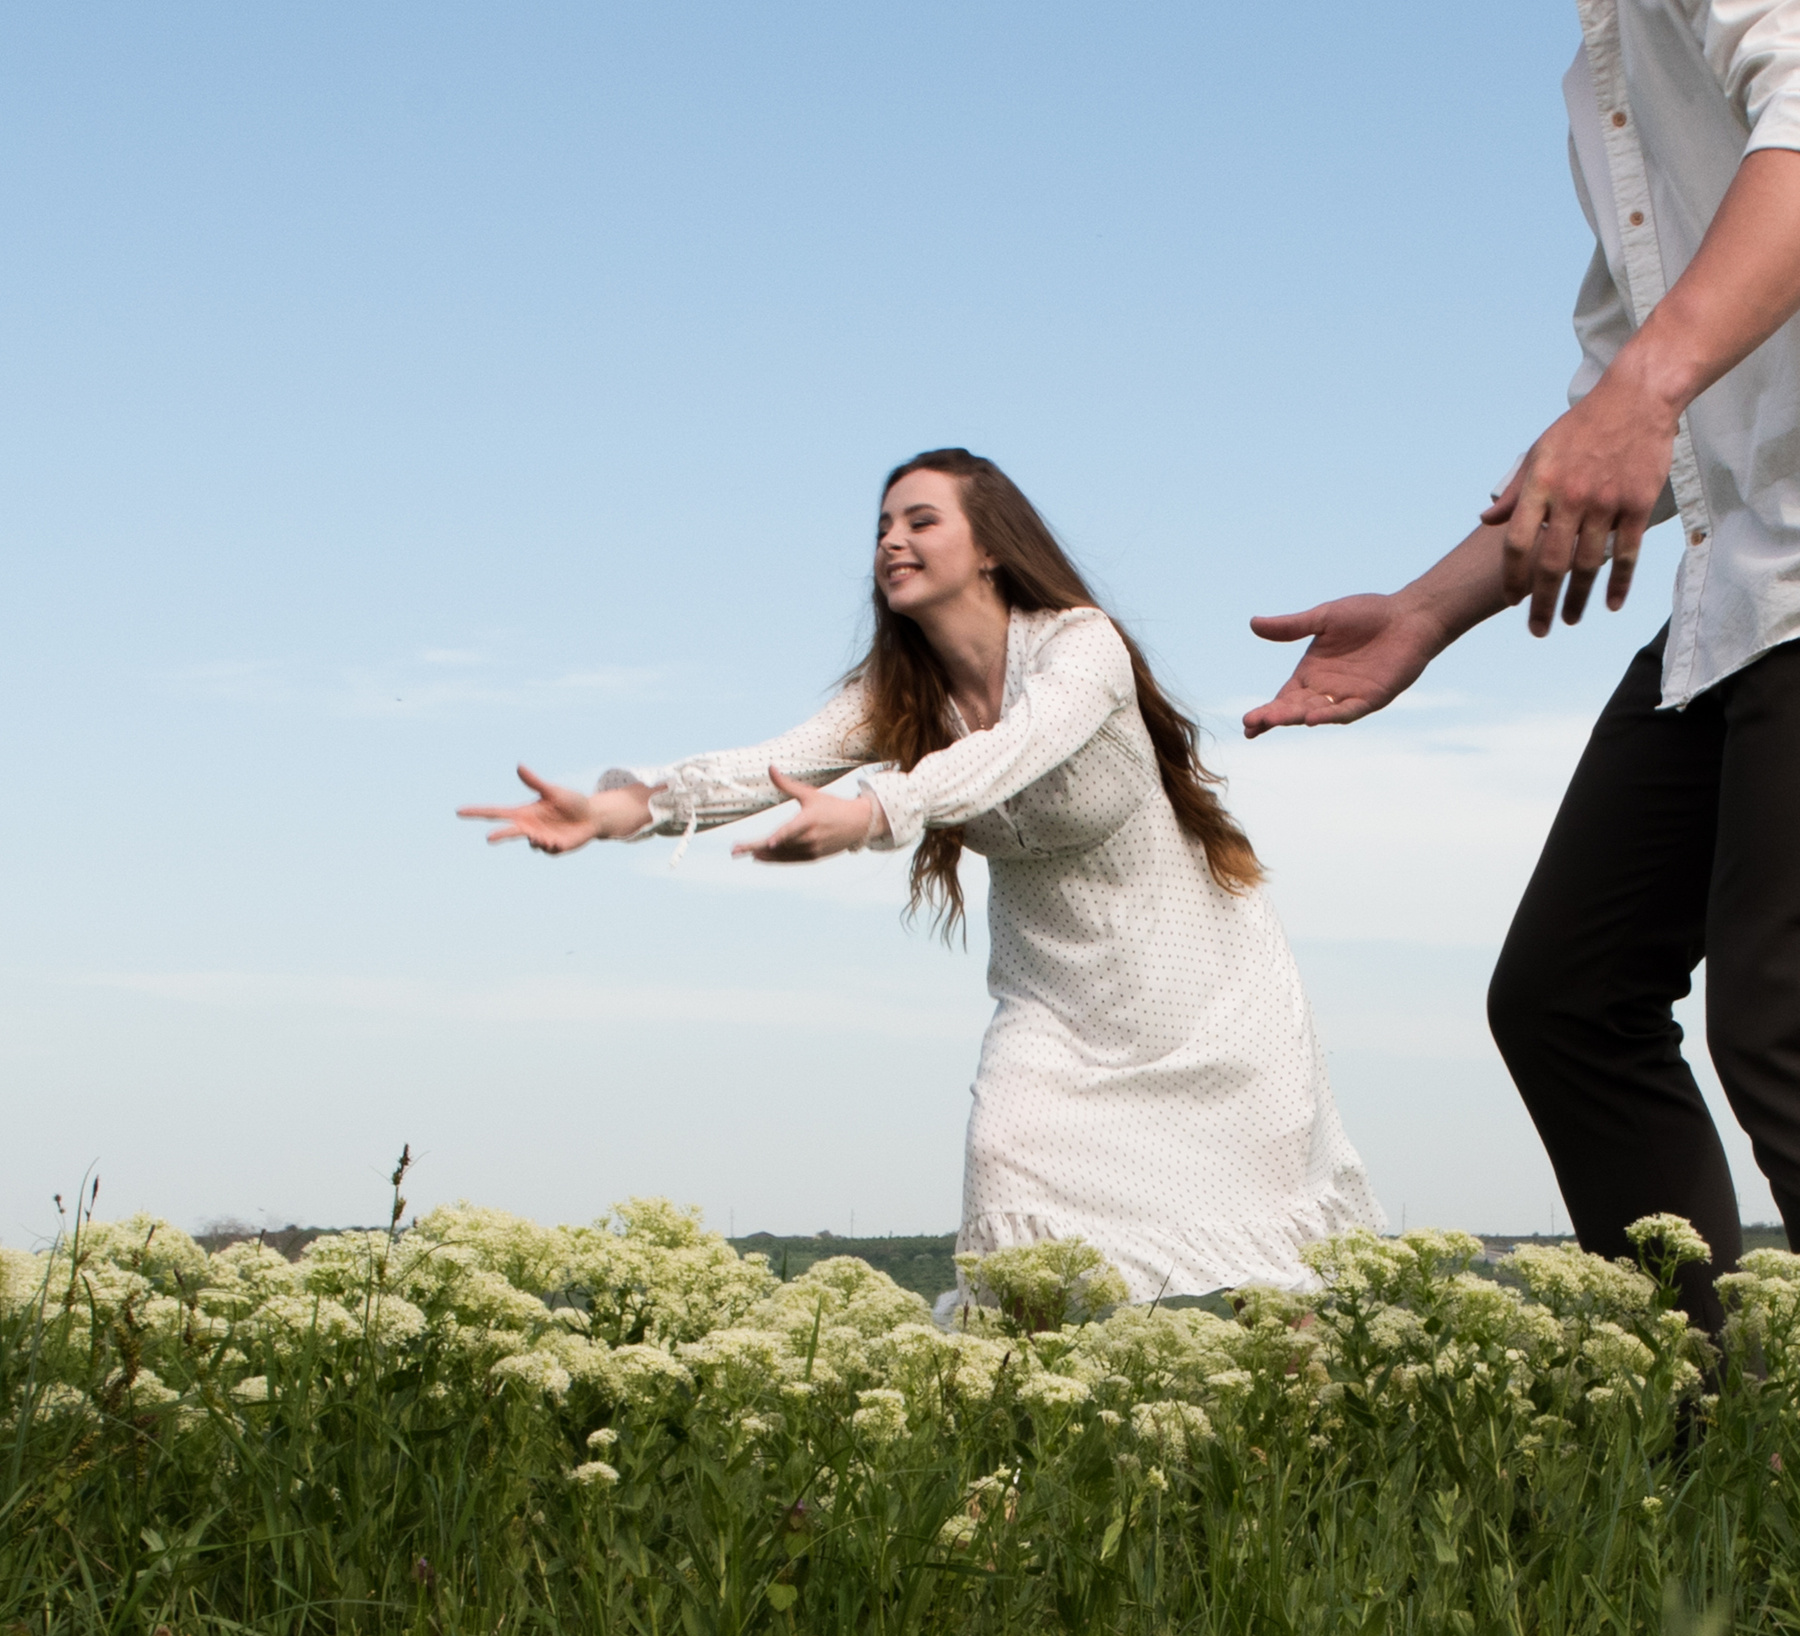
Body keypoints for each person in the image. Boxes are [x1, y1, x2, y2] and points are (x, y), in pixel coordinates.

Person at [462, 450, 1383, 1307]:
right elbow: (772, 762)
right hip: (1053, 1007)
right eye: (881, 527)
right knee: (1006, 1183)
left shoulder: (1079, 645)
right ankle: (1007, 1452)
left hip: (1211, 993)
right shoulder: (898, 696)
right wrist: (616, 811)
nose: (891, 541)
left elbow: (1014, 750)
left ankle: (1303, 1450)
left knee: (1277, 1263)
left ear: (990, 549)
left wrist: (873, 813)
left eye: (920, 521)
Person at [1243, 4, 1800, 1339]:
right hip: (1741, 583)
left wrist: (1646, 389)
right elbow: (1621, 406)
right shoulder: (1598, 83)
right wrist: (1428, 612)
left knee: (1780, 1020)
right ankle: (1684, 1437)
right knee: (1569, 993)